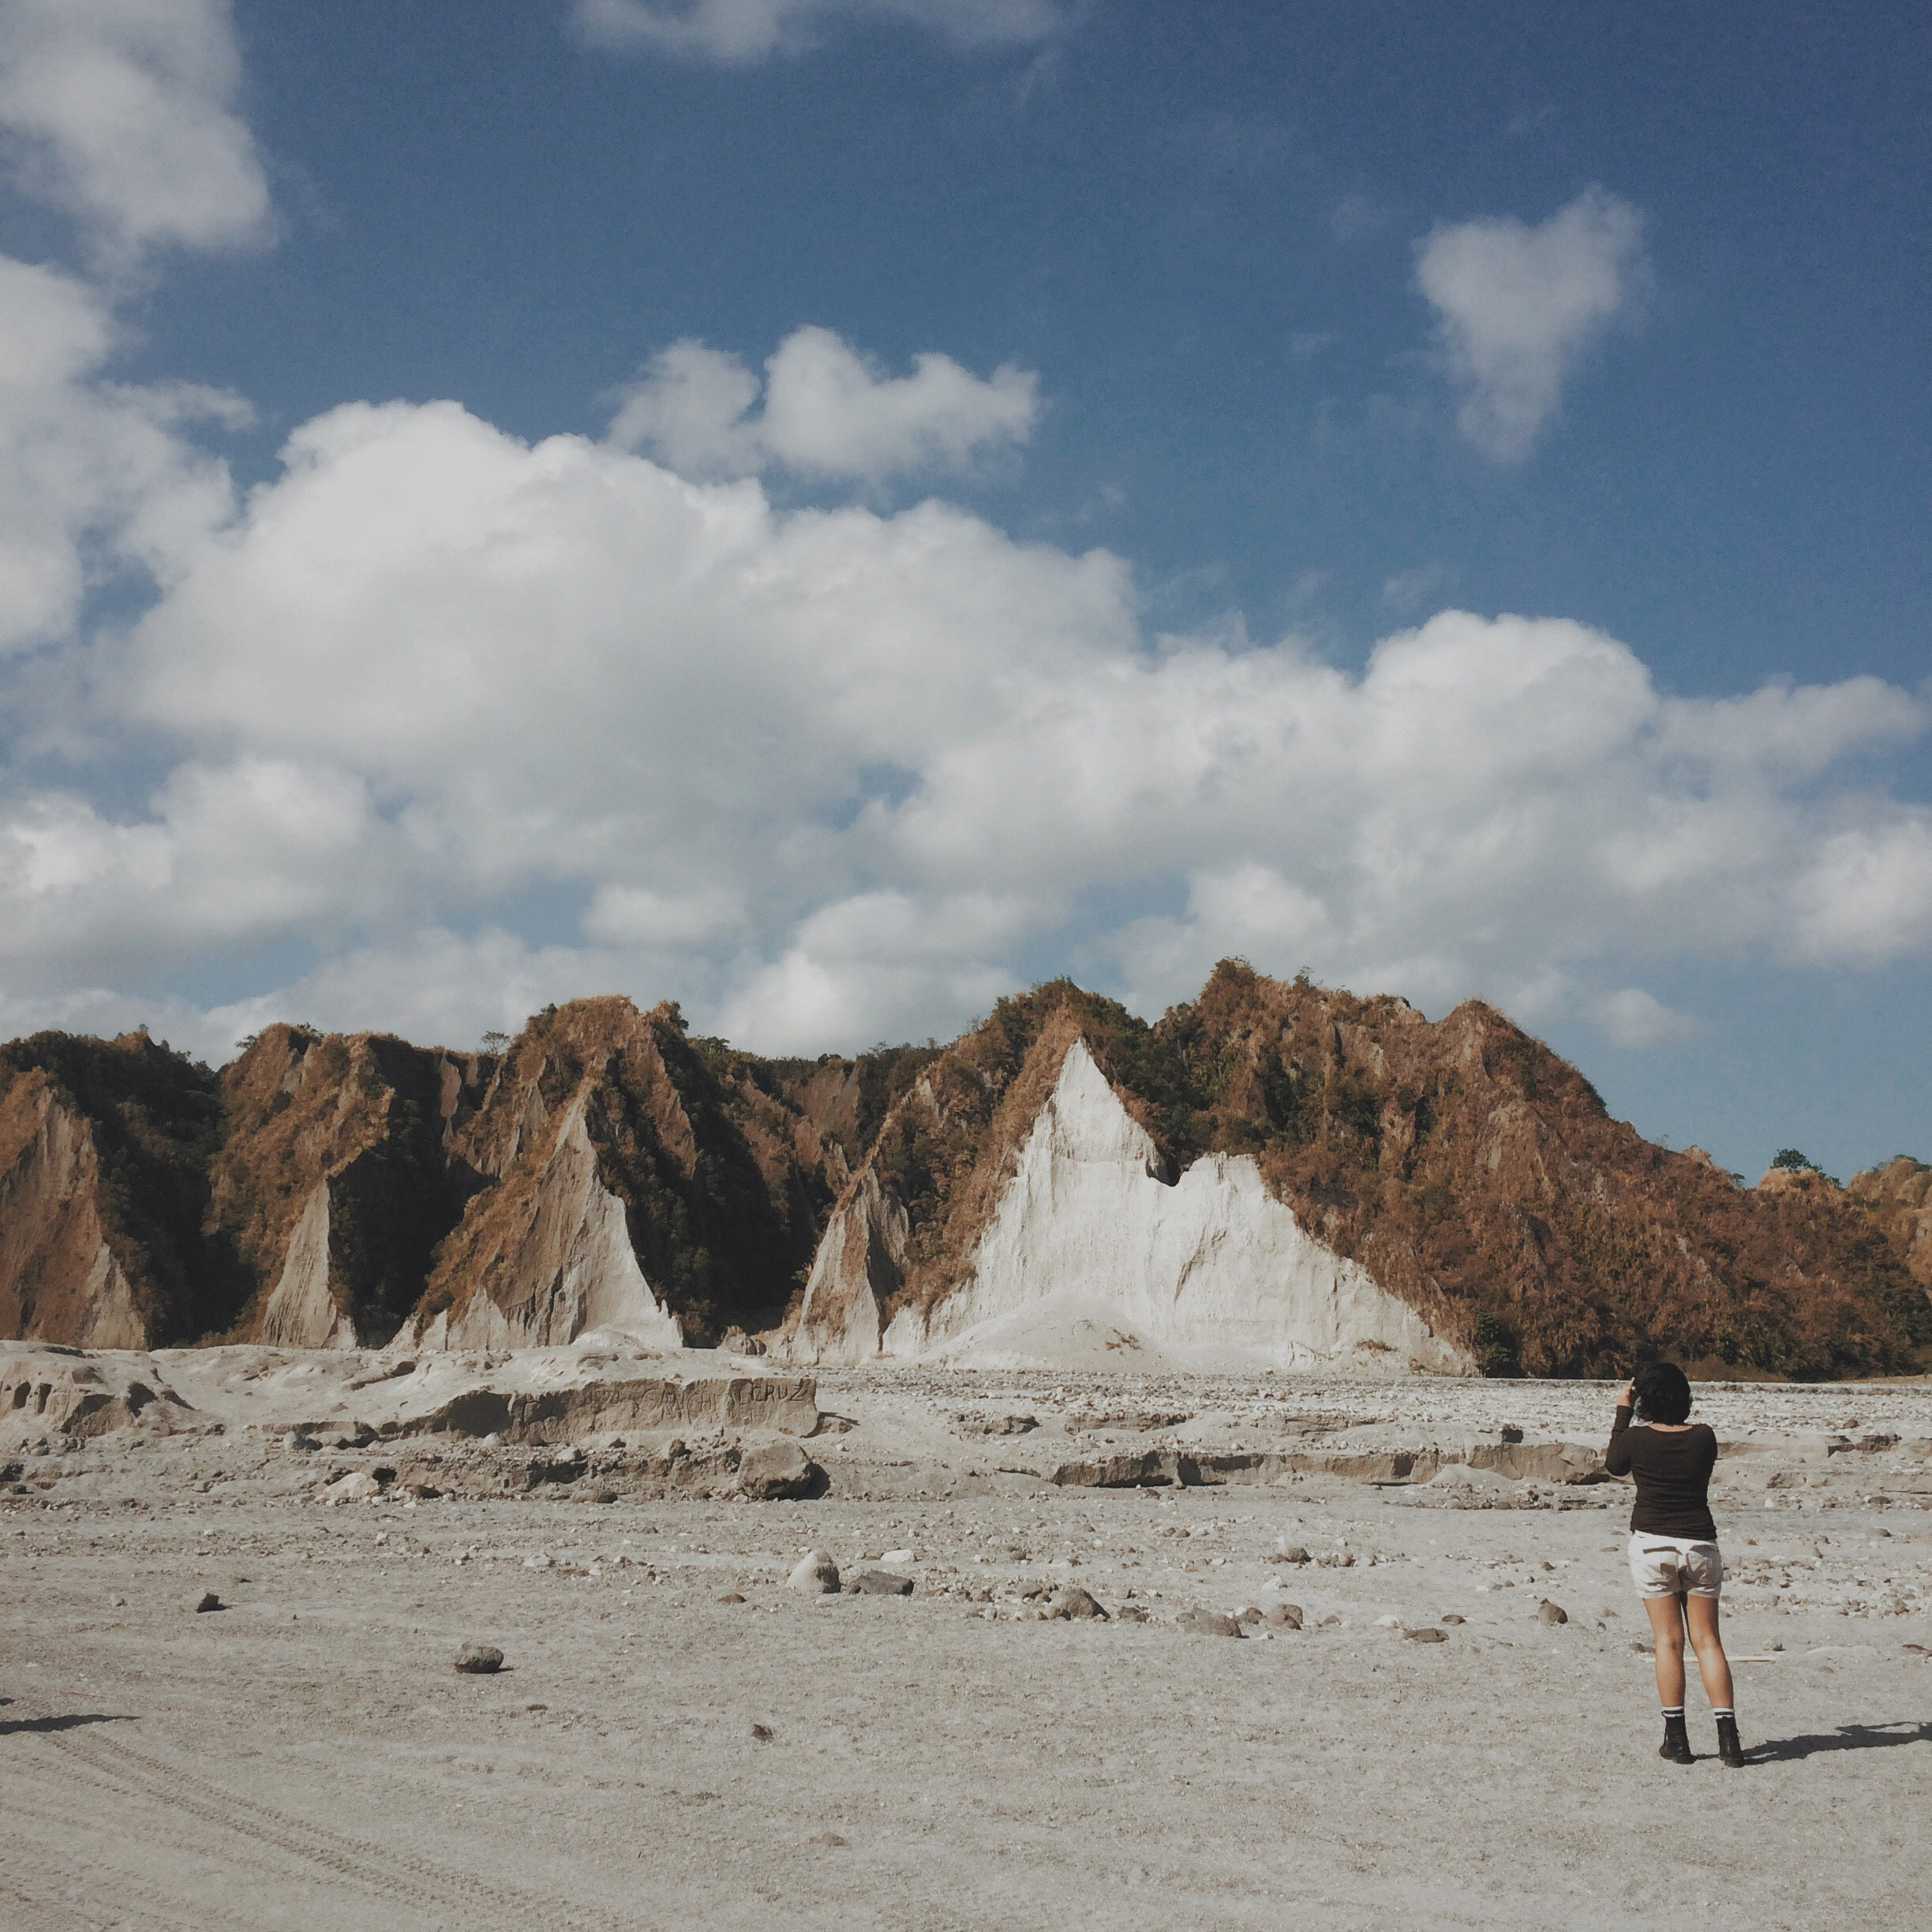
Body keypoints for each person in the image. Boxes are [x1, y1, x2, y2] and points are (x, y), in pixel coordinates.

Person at [1604, 1361, 1743, 1768]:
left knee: (1668, 1642)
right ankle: (1729, 1742)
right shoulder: (1704, 1437)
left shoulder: (1635, 1439)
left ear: (1645, 1399)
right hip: (1699, 1543)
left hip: (1652, 1546)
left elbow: (1614, 1465)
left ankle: (1677, 1740)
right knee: (1709, 1641)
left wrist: (1622, 1411)